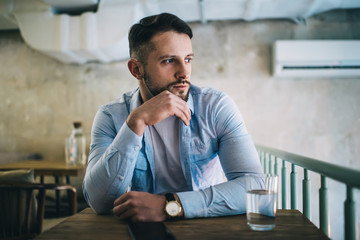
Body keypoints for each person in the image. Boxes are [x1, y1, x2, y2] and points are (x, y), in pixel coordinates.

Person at [83, 12, 262, 222]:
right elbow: (98, 202)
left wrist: (170, 205)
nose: (184, 72)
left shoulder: (215, 107)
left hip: (206, 226)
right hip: (142, 229)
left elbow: (255, 187)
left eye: (188, 59)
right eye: (169, 61)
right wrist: (135, 123)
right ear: (136, 69)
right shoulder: (110, 116)